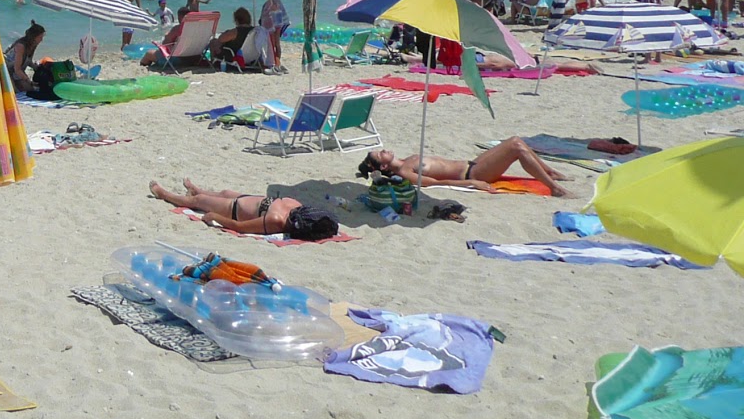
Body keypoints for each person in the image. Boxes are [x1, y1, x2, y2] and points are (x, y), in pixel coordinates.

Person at [356, 141, 572, 197]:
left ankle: (548, 172)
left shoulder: (406, 160)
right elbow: (437, 183)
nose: (384, 150)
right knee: (516, 147)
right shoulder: (405, 172)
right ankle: (553, 187)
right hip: (473, 173)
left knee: (515, 141)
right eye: (380, 154)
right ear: (384, 165)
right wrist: (471, 183)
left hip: (472, 163)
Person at [147, 179, 339, 241]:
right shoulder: (295, 206)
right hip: (247, 199)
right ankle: (198, 189)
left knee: (198, 201)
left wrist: (216, 218)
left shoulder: (278, 221)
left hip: (234, 209)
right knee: (224, 192)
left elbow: (240, 227)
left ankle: (164, 194)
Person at [257, 0, 290, 74]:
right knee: (277, 45)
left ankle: (274, 64)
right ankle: (278, 63)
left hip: (271, 27)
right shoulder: (278, 1)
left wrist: (262, 23)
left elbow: (265, 16)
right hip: (280, 24)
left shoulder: (269, 3)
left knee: (271, 45)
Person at [6, 22, 46, 94]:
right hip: (7, 70)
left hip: (17, 70)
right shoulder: (21, 46)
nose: (41, 40)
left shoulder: (33, 44)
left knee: (29, 89)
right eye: (40, 37)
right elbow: (17, 69)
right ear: (34, 37)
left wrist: (37, 67)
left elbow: (28, 60)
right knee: (13, 91)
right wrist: (28, 80)